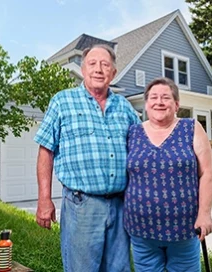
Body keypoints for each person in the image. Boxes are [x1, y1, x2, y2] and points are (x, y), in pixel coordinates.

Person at [34, 44, 140, 272]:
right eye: (92, 64)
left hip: (121, 206)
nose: (99, 69)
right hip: (82, 206)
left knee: (119, 269)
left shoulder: (125, 107)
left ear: (113, 72)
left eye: (105, 65)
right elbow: (46, 150)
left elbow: (143, 150)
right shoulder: (63, 102)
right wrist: (44, 199)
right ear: (83, 70)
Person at [124, 77, 212, 272]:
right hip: (141, 229)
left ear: (176, 104)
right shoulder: (133, 132)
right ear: (146, 105)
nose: (159, 102)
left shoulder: (191, 128)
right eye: (153, 97)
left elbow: (206, 174)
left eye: (166, 97)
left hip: (183, 228)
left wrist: (205, 214)